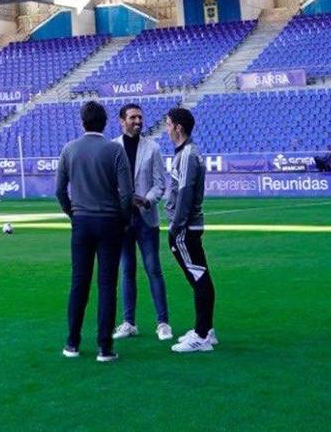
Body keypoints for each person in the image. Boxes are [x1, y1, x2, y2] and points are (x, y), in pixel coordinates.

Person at [56, 101, 134, 363]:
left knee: (79, 283)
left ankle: (72, 343)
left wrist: (73, 214)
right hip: (110, 222)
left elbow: (59, 191)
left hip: (82, 222)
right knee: (107, 285)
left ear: (83, 122)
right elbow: (127, 193)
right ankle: (104, 347)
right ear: (105, 123)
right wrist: (124, 220)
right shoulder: (115, 150)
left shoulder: (69, 149)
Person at [111, 103, 172, 342]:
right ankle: (129, 322)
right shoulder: (112, 148)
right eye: (132, 118)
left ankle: (163, 323)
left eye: (140, 118)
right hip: (122, 220)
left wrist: (146, 200)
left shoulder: (153, 148)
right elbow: (110, 183)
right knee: (127, 270)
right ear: (122, 121)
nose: (137, 121)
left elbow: (160, 184)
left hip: (146, 218)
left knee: (153, 268)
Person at [163, 106, 217, 353]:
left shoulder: (187, 155)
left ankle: (201, 335)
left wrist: (176, 226)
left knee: (199, 277)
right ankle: (206, 330)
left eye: (168, 124)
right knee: (199, 275)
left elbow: (185, 192)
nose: (166, 129)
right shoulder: (188, 153)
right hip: (189, 226)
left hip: (185, 227)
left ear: (178, 127)